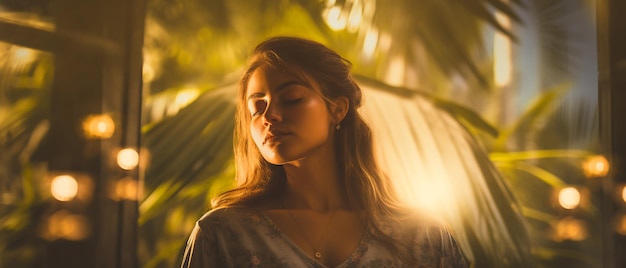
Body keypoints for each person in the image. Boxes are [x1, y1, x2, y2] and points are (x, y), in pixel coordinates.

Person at [181, 36, 469, 268]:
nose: (270, 116)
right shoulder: (224, 234)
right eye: (257, 107)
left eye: (291, 99)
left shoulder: (423, 237)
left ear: (337, 109)